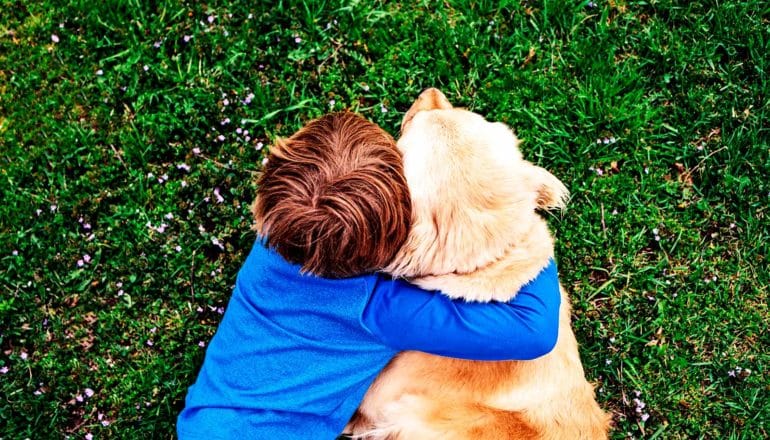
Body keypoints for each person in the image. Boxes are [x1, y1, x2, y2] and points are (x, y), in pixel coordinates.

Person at [177, 112, 561, 439]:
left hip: (205, 423)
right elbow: (534, 330)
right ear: (399, 241)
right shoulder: (379, 309)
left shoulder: (272, 241)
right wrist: (514, 226)